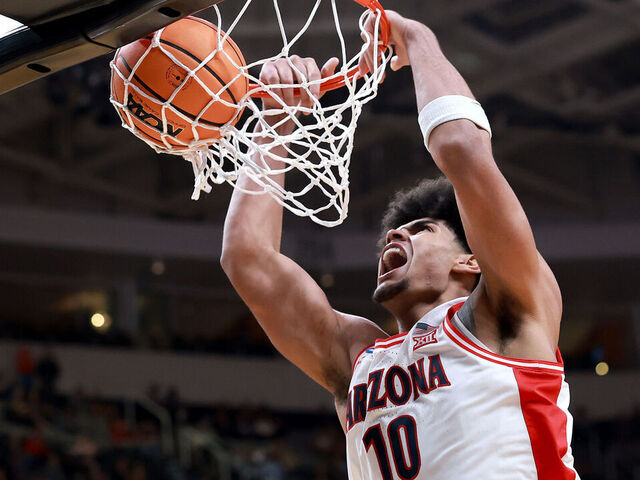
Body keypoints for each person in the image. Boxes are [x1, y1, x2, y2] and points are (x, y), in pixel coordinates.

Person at [221, 10, 579, 480]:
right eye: (397, 230)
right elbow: (247, 258)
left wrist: (417, 38)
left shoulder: (508, 313)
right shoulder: (359, 357)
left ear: (470, 260)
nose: (395, 235)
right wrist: (276, 119)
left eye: (422, 229)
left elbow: (462, 150)